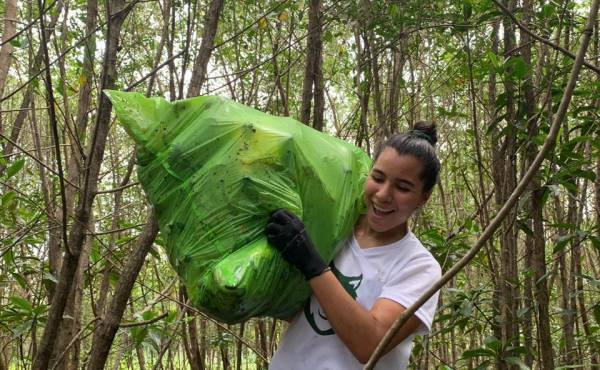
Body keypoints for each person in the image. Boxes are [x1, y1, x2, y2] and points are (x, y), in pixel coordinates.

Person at [265, 121, 442, 370]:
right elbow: (292, 309)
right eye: (378, 178)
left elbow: (370, 343)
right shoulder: (336, 226)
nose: (382, 194)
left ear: (423, 197)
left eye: (402, 187)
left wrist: (310, 262)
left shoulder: (419, 266)